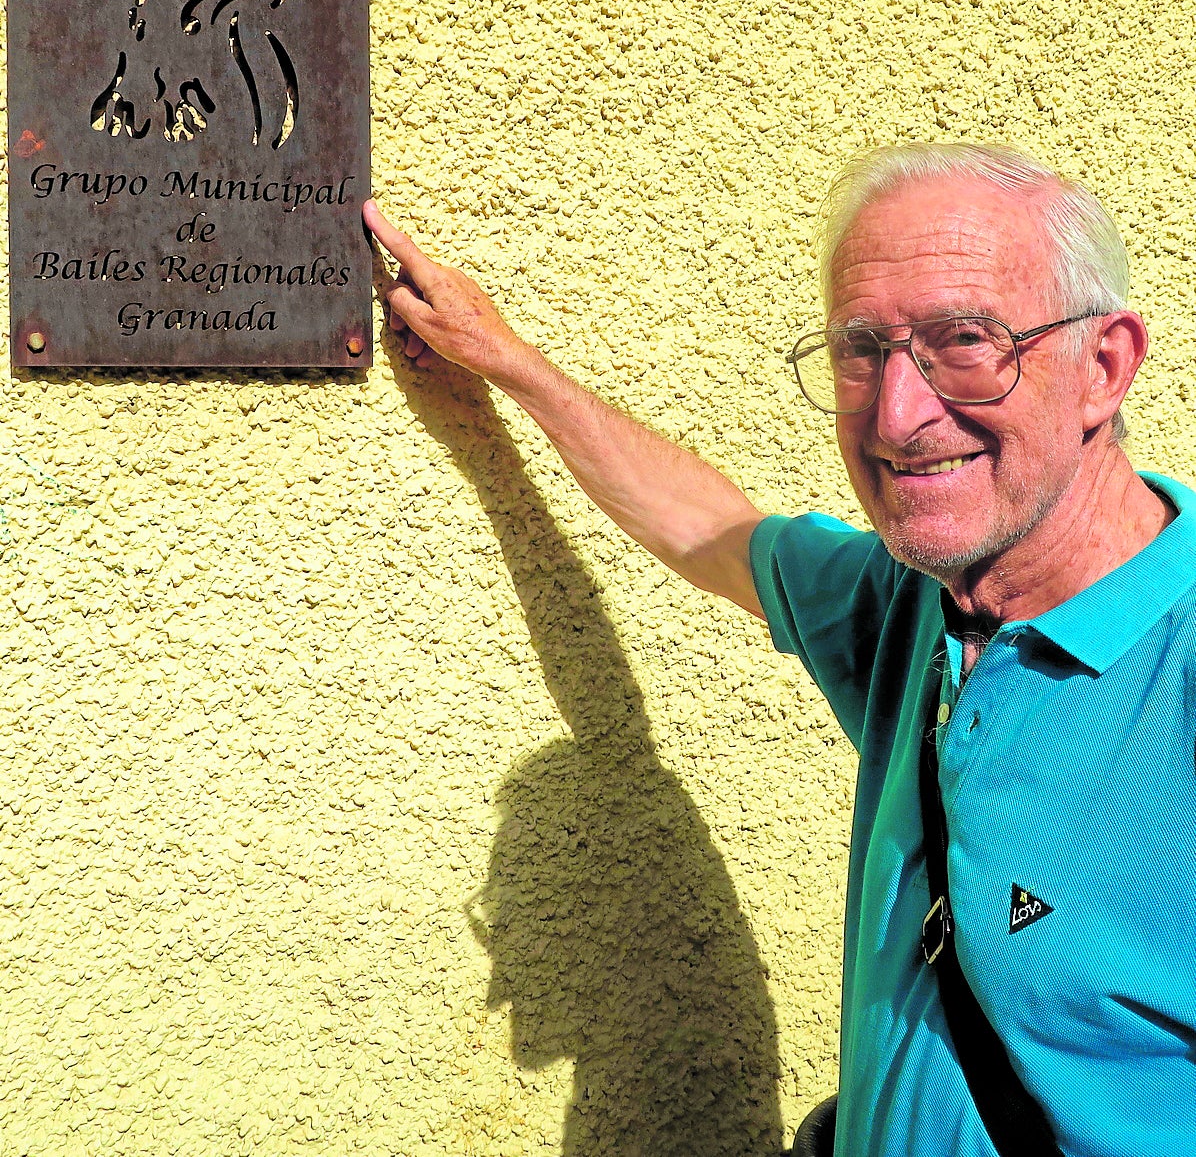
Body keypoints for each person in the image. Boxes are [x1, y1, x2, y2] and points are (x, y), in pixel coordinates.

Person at [363, 141, 1196, 1157]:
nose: (897, 413)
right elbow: (707, 531)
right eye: (861, 349)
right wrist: (511, 365)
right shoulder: (912, 604)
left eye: (963, 340)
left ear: (1101, 367)